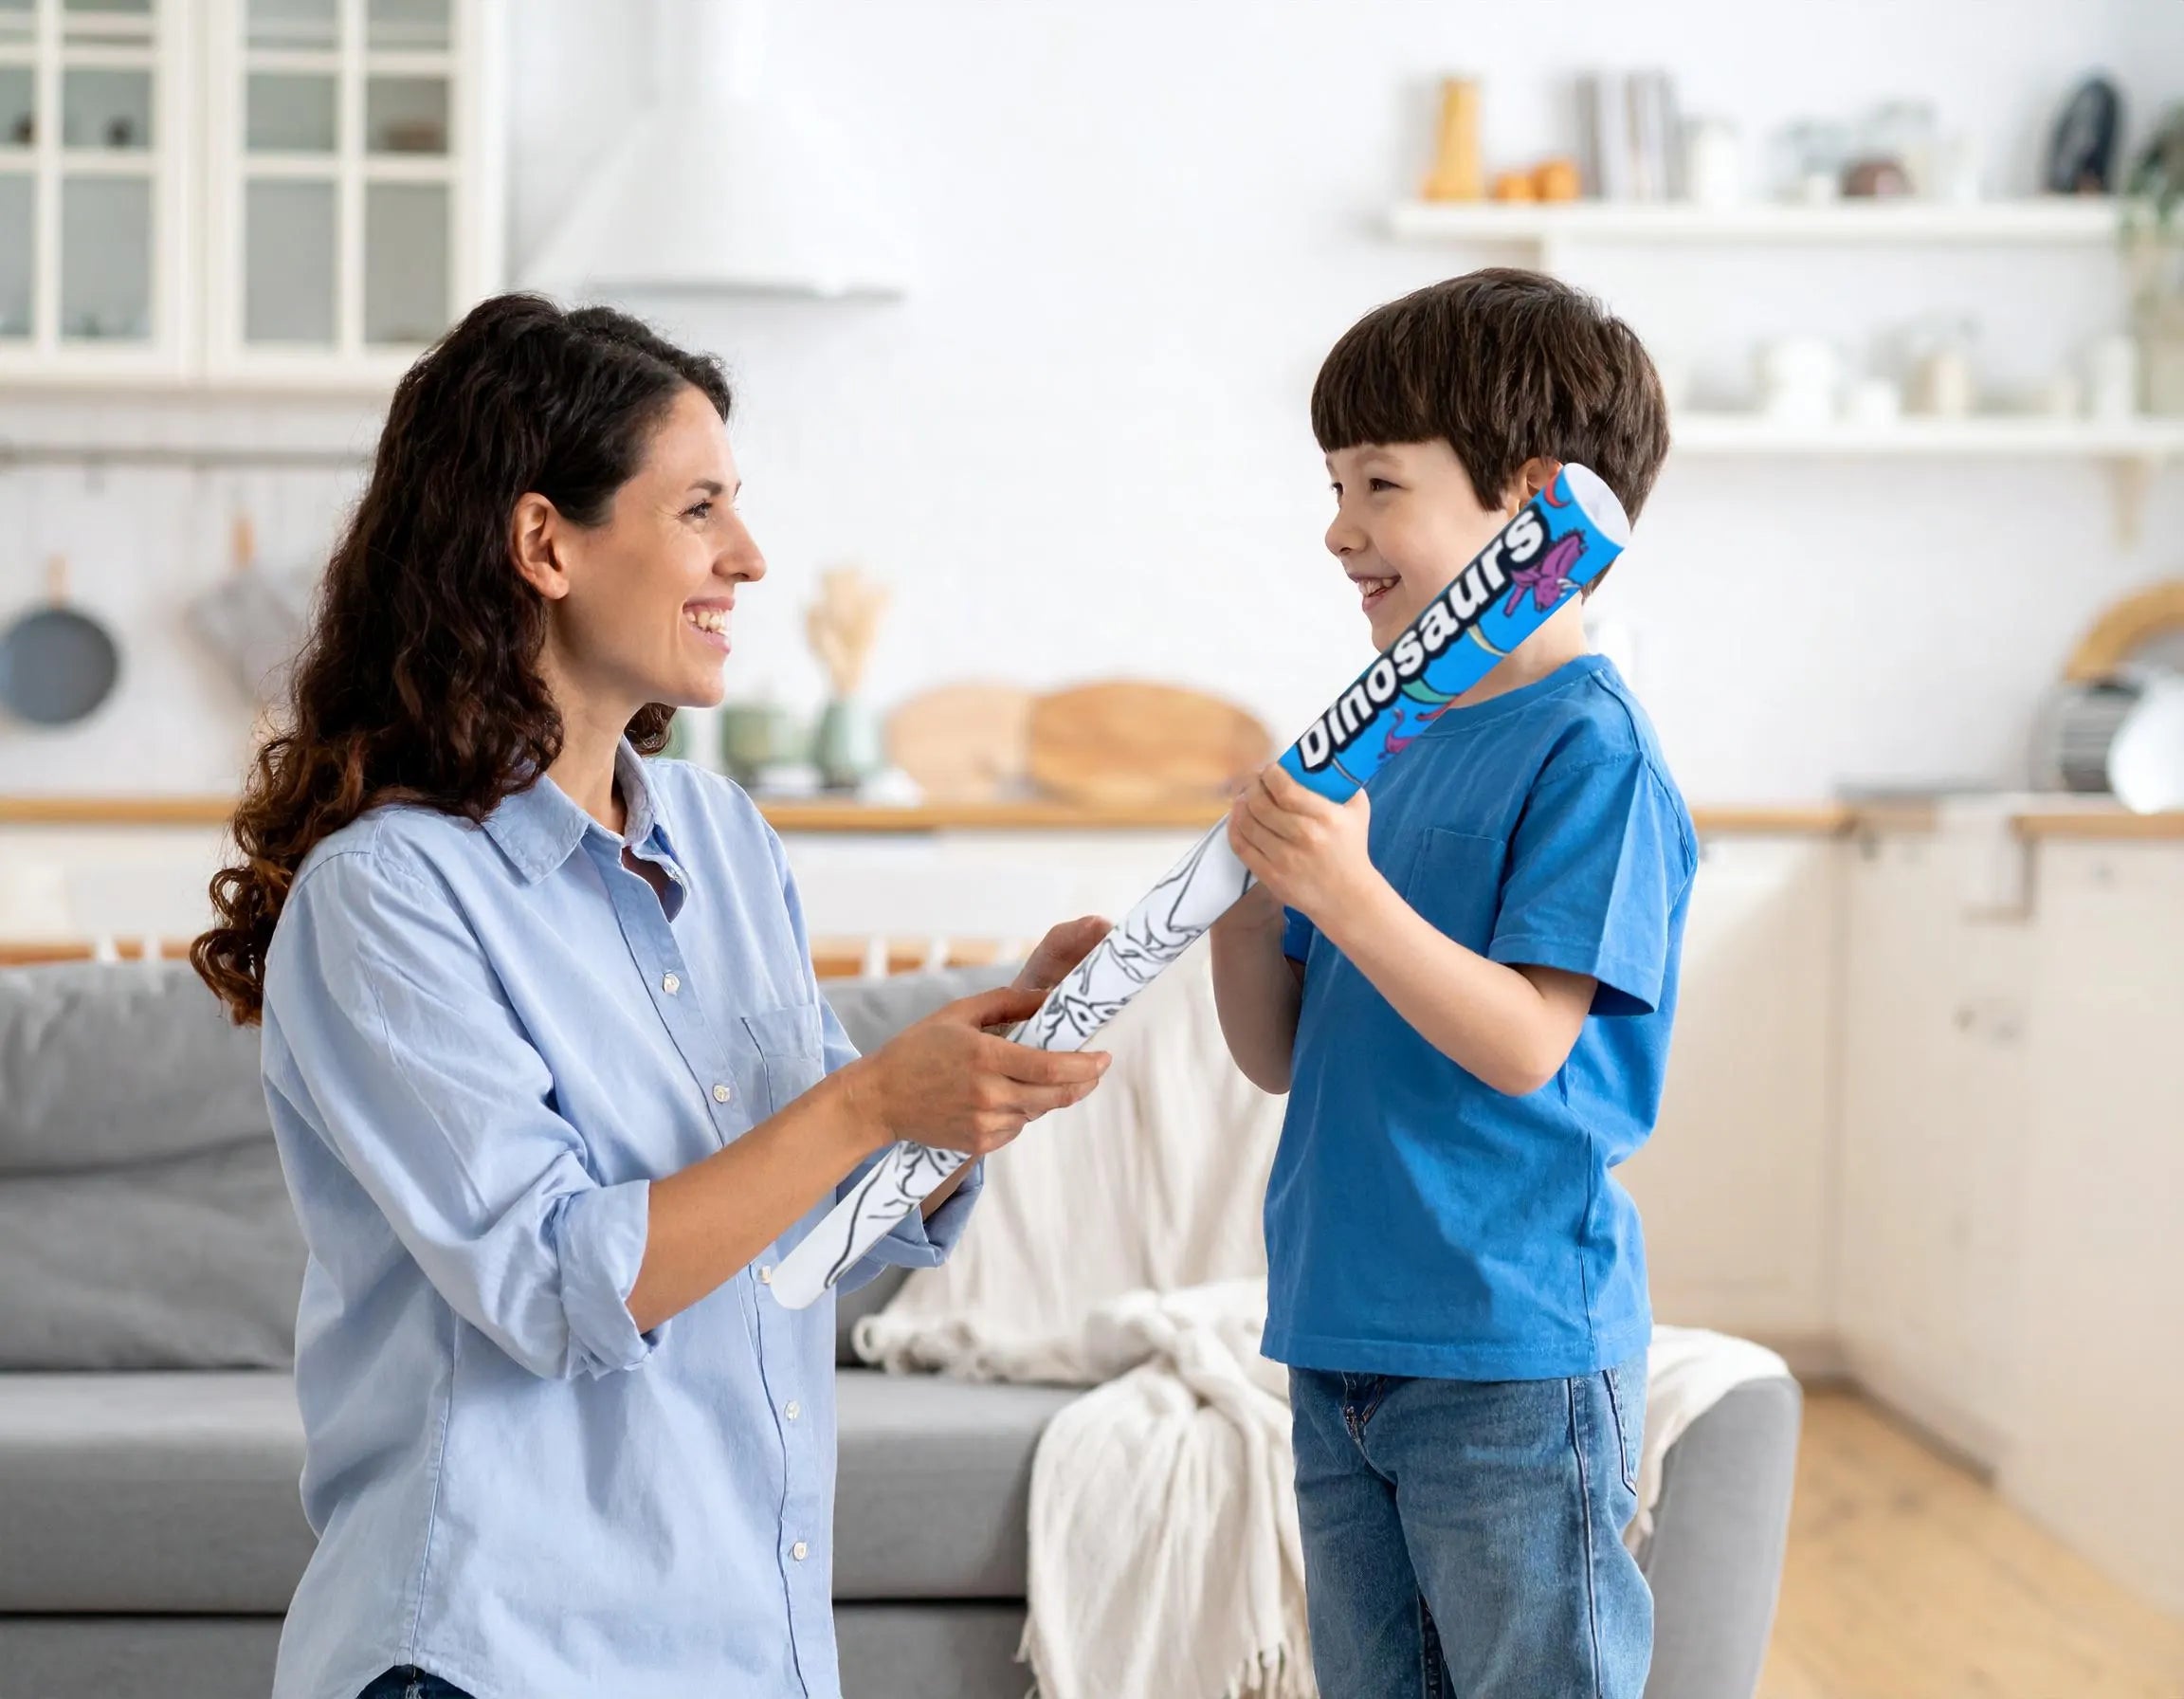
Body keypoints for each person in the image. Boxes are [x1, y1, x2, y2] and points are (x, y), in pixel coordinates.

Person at [190, 293, 1111, 1699]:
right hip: (498, 1659)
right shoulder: (390, 897)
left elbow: (810, 1230)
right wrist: (872, 1097)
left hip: (743, 1652)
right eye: (699, 511)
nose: (747, 556)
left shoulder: (723, 838)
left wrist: (974, 1087)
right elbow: (559, 1288)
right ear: (545, 541)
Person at [1208, 267, 1690, 1698]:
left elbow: (1528, 1044)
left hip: (1508, 1355)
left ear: (1529, 499)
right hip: (1340, 1330)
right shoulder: (1389, 747)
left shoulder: (1592, 751)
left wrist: (1347, 894)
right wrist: (1249, 911)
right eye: (1334, 481)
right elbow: (1280, 1053)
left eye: (1377, 482)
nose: (1338, 526)